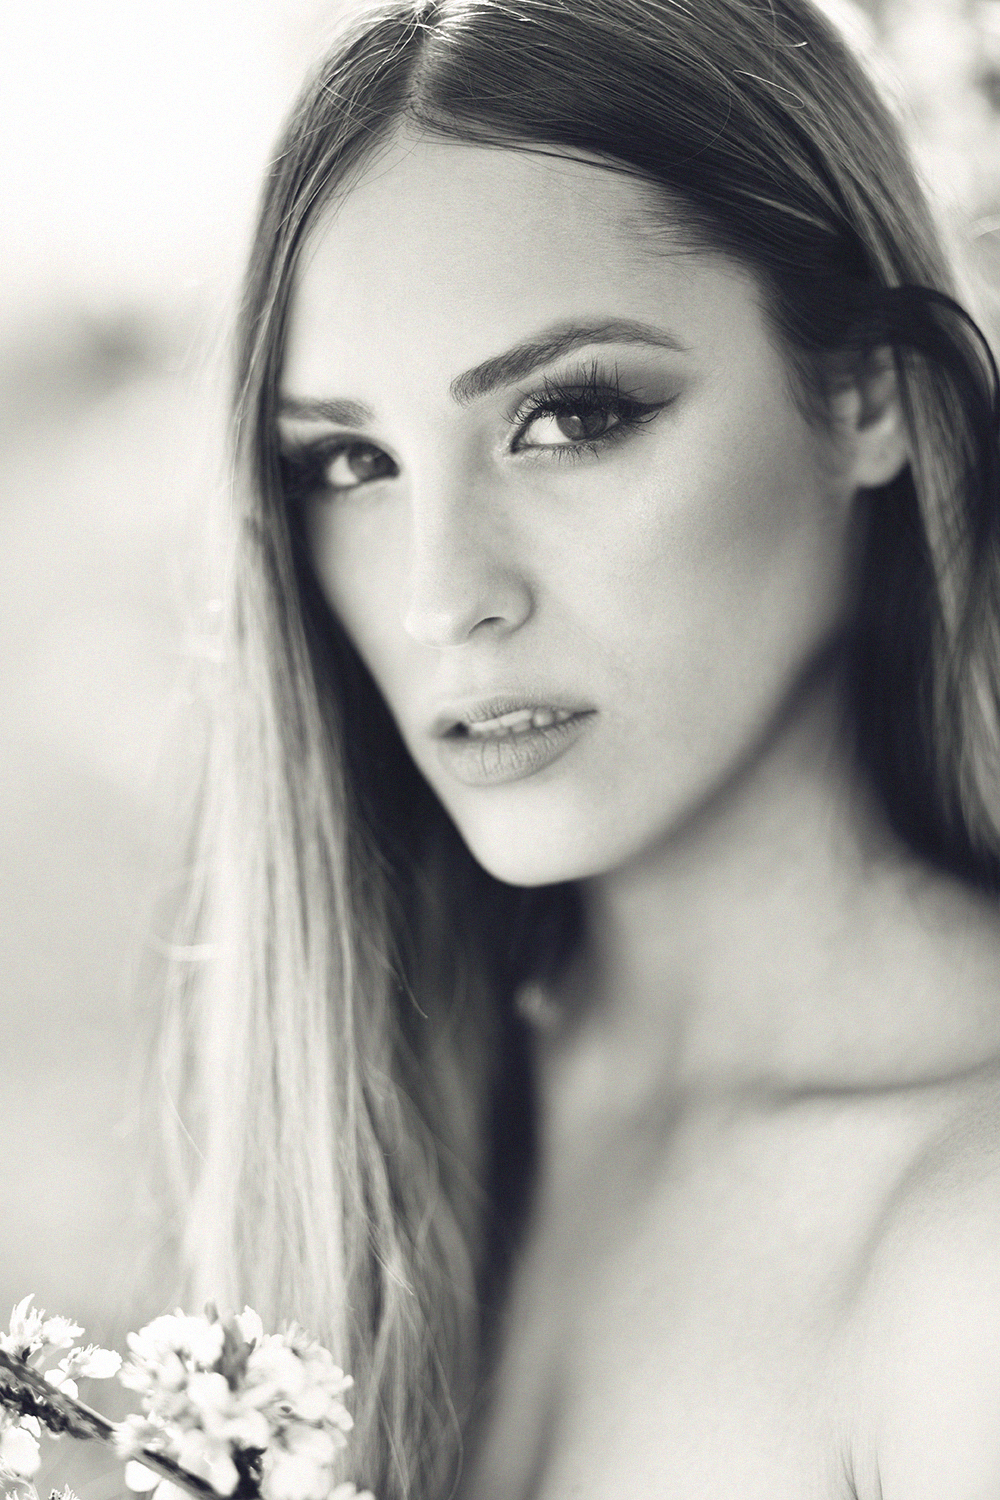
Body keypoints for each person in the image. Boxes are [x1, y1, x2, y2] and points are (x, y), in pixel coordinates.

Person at [165, 0, 1000, 1496]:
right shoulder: (390, 1126)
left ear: (867, 397)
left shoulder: (969, 1249)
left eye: (572, 417)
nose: (440, 599)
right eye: (349, 461)